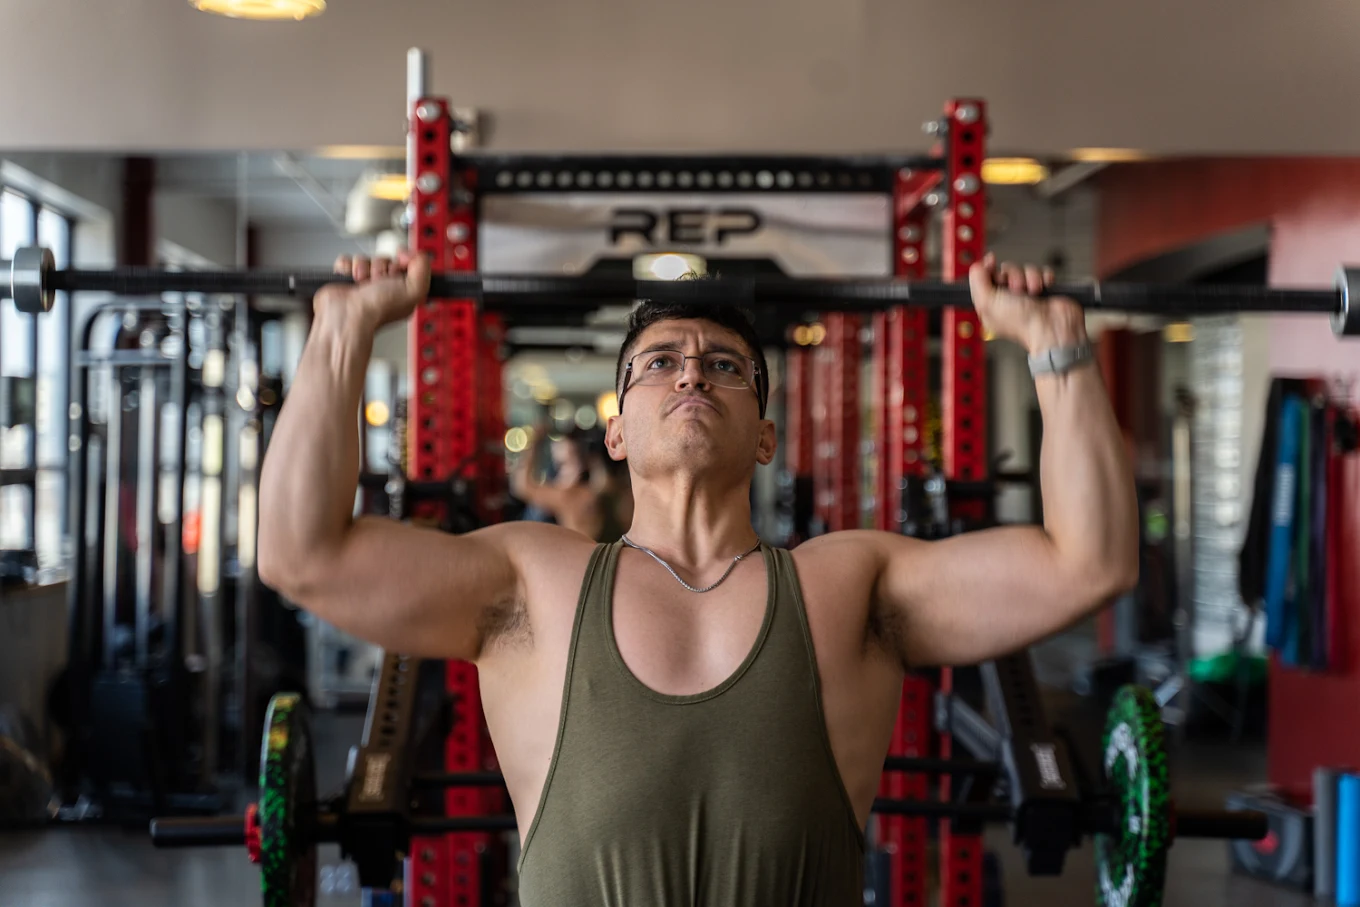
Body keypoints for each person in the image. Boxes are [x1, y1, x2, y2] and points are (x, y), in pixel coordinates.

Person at [258, 251, 1137, 906]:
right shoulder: (530, 580)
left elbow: (1087, 562)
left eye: (724, 365)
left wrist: (1056, 345)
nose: (690, 370)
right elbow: (302, 554)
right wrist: (341, 332)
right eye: (658, 361)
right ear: (616, 433)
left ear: (765, 435)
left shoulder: (847, 583)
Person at [509, 425, 632, 542]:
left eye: (564, 464)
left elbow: (521, 486)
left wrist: (535, 442)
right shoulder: (620, 492)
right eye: (557, 466)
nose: (559, 473)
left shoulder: (573, 497)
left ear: (582, 462)